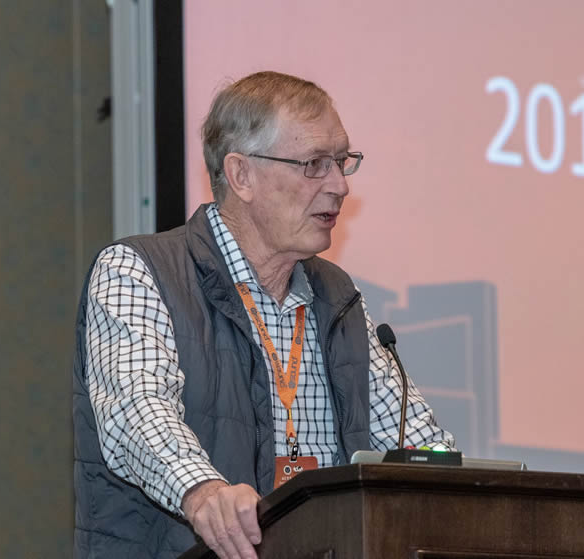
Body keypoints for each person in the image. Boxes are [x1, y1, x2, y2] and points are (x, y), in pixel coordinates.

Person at [72, 71, 455, 559]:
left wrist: (461, 481)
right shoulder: (137, 270)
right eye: (314, 164)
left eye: (341, 162)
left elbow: (416, 444)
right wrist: (204, 493)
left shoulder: (338, 296)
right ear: (241, 175)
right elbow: (137, 412)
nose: (340, 185)